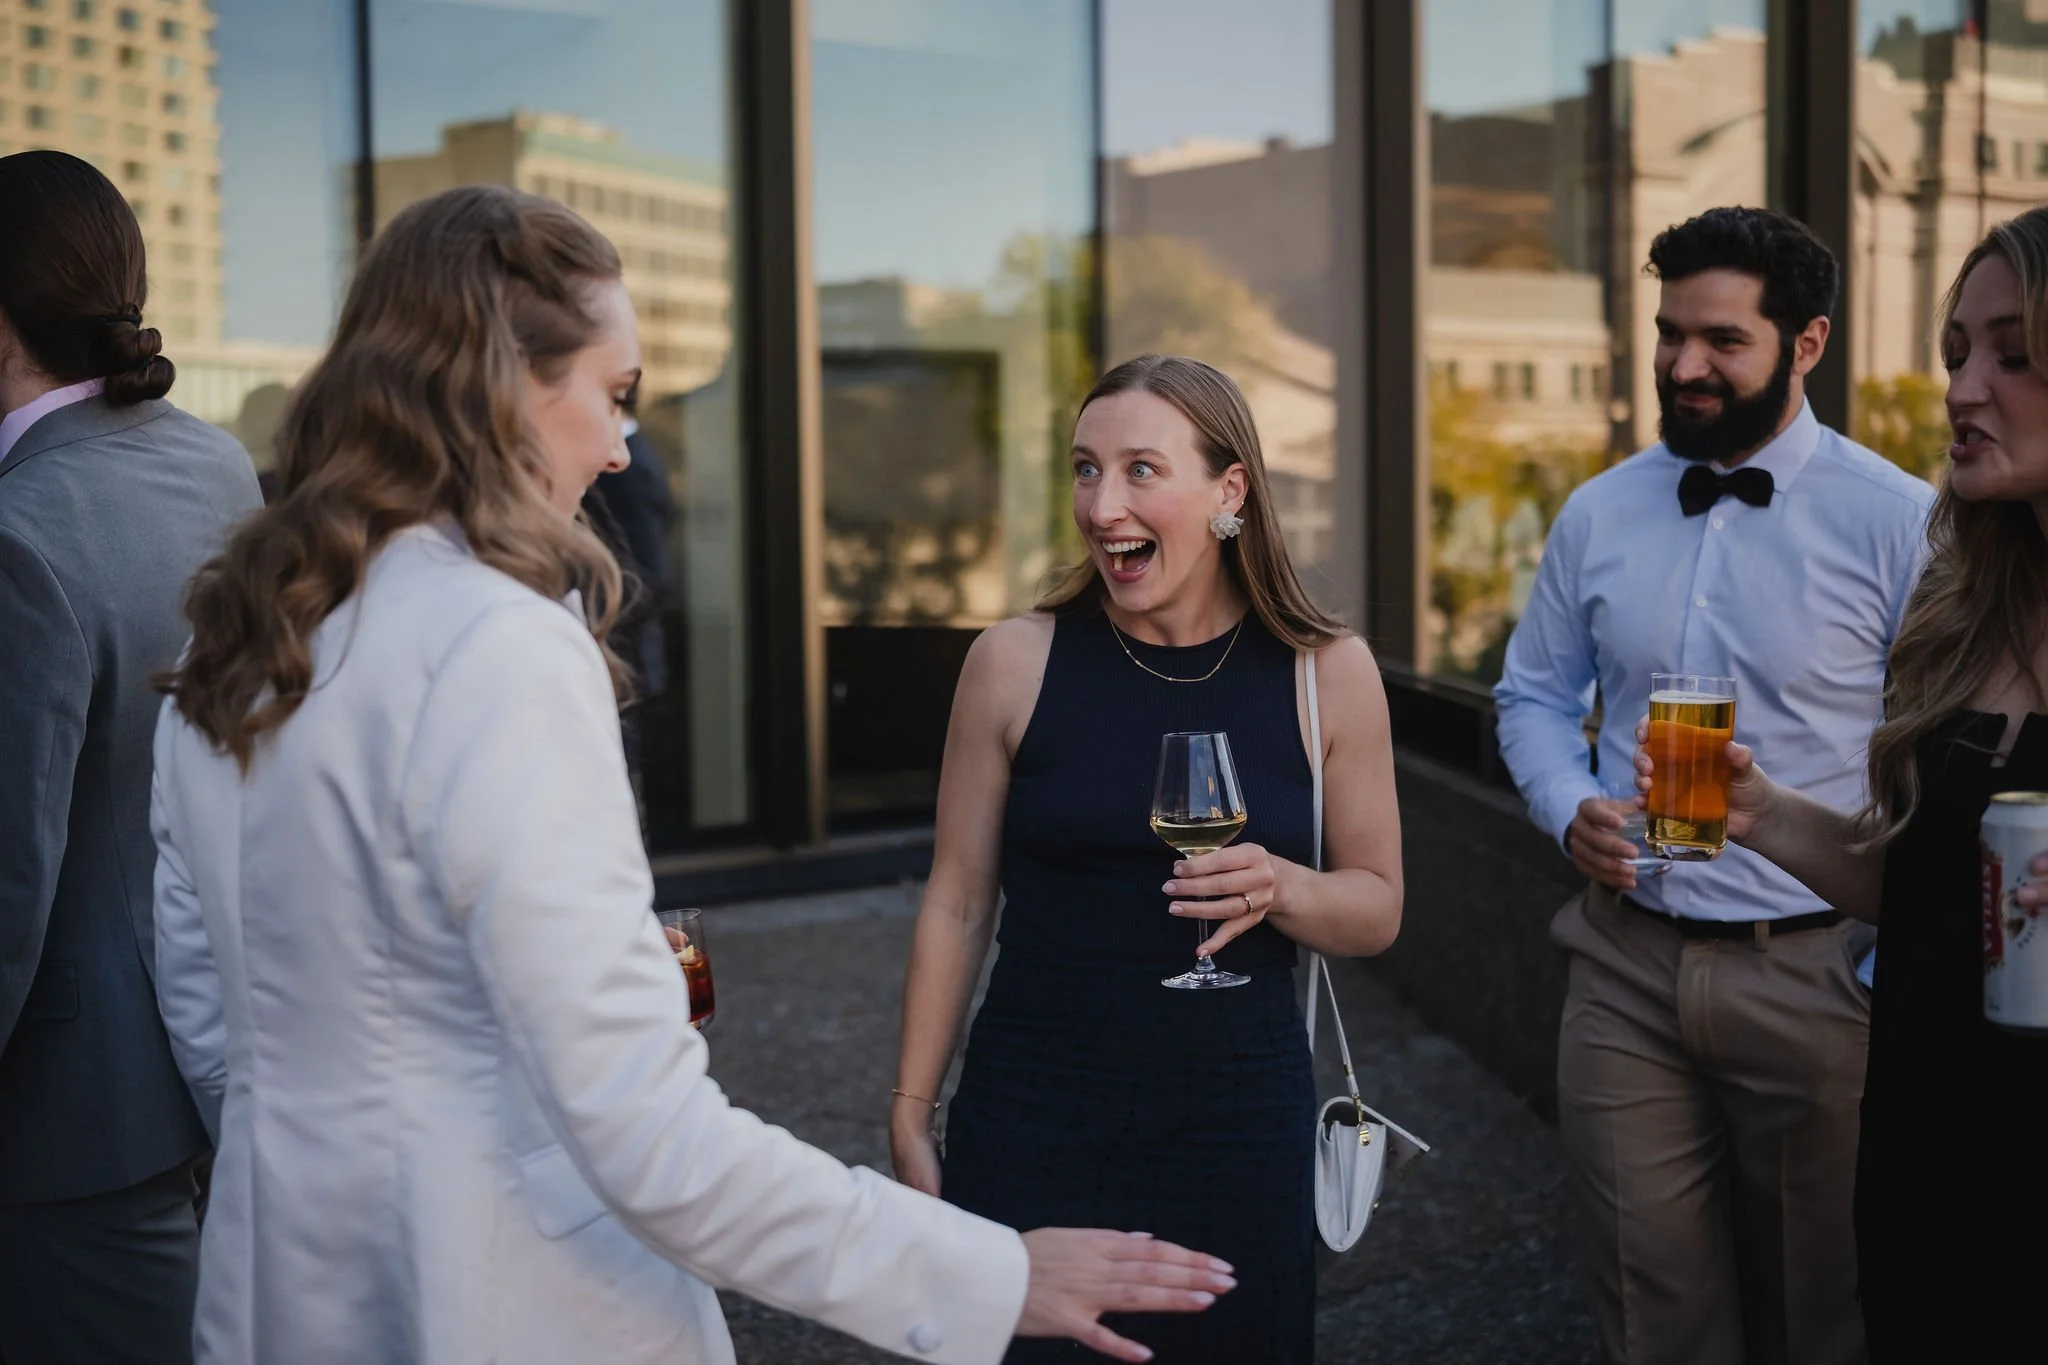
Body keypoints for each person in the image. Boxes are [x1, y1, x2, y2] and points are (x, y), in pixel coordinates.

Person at [146, 187, 1233, 1365]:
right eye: (613, 396)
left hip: (273, 1291)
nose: (621, 448)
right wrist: (988, 1271)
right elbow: (648, 1137)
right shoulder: (497, 644)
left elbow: (209, 1018)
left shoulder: (235, 639)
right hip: (505, 1296)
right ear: (504, 385)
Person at [892, 354, 1404, 1363]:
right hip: (1032, 1109)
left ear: (1228, 492)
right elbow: (956, 902)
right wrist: (910, 1107)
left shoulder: (1324, 674)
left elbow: (1377, 906)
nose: (1101, 504)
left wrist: (1282, 885)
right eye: (1084, 470)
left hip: (1235, 1122)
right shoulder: (1012, 661)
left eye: (1138, 470)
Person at [1492, 207, 1935, 1365]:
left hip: (1815, 974)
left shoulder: (1898, 525)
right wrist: (1565, 806)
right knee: (1650, 1312)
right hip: (1623, 961)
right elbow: (1530, 698)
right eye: (1666, 333)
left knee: (1822, 1313)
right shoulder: (1597, 513)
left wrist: (1876, 967)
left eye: (1720, 340)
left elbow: (1938, 756)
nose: (1682, 366)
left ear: (1805, 342)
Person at [1630, 205, 2048, 1362]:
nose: (1966, 388)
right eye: (1956, 352)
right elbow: (1913, 884)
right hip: (1924, 1138)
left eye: (2013, 355)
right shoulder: (1966, 613)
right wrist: (1758, 813)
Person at [0, 150, 262, 1365]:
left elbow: (8, 880)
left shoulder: (21, 536)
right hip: (218, 1048)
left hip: (64, 1106)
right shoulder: (215, 465)